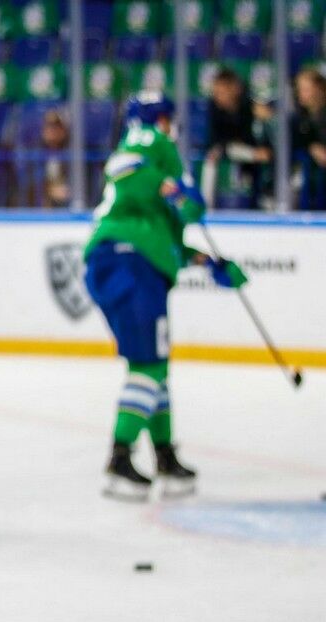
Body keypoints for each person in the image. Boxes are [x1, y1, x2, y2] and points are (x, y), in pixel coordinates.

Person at [84, 91, 248, 501]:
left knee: (154, 366)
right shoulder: (148, 141)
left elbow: (169, 240)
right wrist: (173, 189)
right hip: (130, 265)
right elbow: (124, 167)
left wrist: (207, 261)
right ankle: (119, 460)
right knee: (149, 366)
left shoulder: (151, 199)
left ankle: (164, 456)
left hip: (130, 264)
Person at [202, 67, 271, 209]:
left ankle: (268, 199)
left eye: (222, 92)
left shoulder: (249, 105)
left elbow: (258, 135)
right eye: (216, 92)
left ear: (235, 89)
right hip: (229, 149)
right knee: (211, 157)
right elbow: (215, 138)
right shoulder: (213, 108)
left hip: (252, 151)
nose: (218, 96)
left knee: (265, 158)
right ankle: (207, 206)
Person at [292, 69, 326, 210]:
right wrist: (312, 147)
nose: (300, 94)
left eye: (306, 89)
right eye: (299, 89)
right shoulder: (299, 117)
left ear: (319, 89)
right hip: (310, 171)